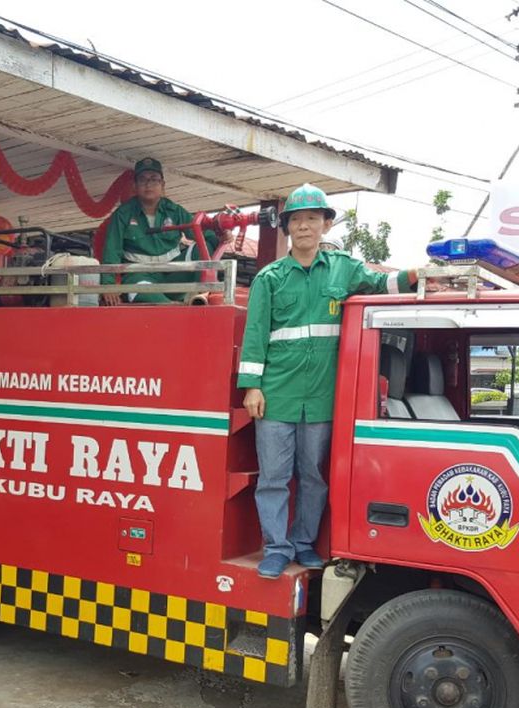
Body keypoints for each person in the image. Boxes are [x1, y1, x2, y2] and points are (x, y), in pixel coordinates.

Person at [237, 183, 420, 578]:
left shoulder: (344, 269)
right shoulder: (270, 278)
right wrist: (252, 386)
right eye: (297, 220)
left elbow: (381, 284)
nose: (304, 227)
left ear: (326, 225)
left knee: (314, 477)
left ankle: (303, 544)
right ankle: (276, 548)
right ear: (287, 229)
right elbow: (255, 334)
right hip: (276, 396)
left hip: (321, 397)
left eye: (312, 219)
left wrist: (418, 274)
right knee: (273, 478)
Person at [100, 157, 216, 305]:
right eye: (143, 180)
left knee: (204, 245)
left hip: (173, 274)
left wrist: (221, 236)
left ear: (162, 185)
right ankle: (172, 307)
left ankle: (204, 295)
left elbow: (202, 232)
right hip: (140, 276)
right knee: (140, 290)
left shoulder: (175, 211)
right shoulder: (123, 214)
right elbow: (111, 251)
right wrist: (108, 286)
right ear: (135, 186)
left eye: (154, 179)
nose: (149, 185)